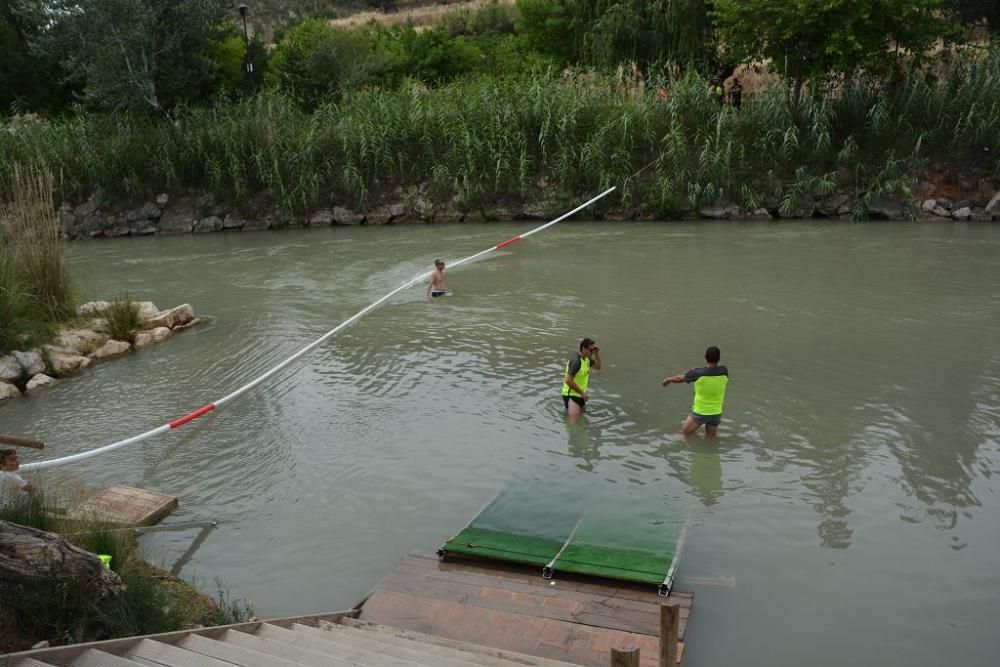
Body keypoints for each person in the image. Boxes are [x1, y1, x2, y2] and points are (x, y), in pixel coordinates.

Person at [661, 346, 729, 437]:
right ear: (719, 358)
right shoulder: (724, 371)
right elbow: (711, 372)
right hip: (716, 413)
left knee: (685, 434)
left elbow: (680, 378)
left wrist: (668, 379)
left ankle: (693, 450)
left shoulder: (697, 373)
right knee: (711, 438)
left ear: (705, 357)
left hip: (700, 412)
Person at [561, 338, 602, 424]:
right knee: (574, 424)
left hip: (580, 395)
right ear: (583, 348)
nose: (592, 352)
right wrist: (582, 393)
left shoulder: (586, 359)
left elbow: (598, 367)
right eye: (591, 350)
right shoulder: (576, 361)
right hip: (572, 395)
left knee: (581, 421)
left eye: (594, 349)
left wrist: (596, 354)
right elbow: (568, 380)